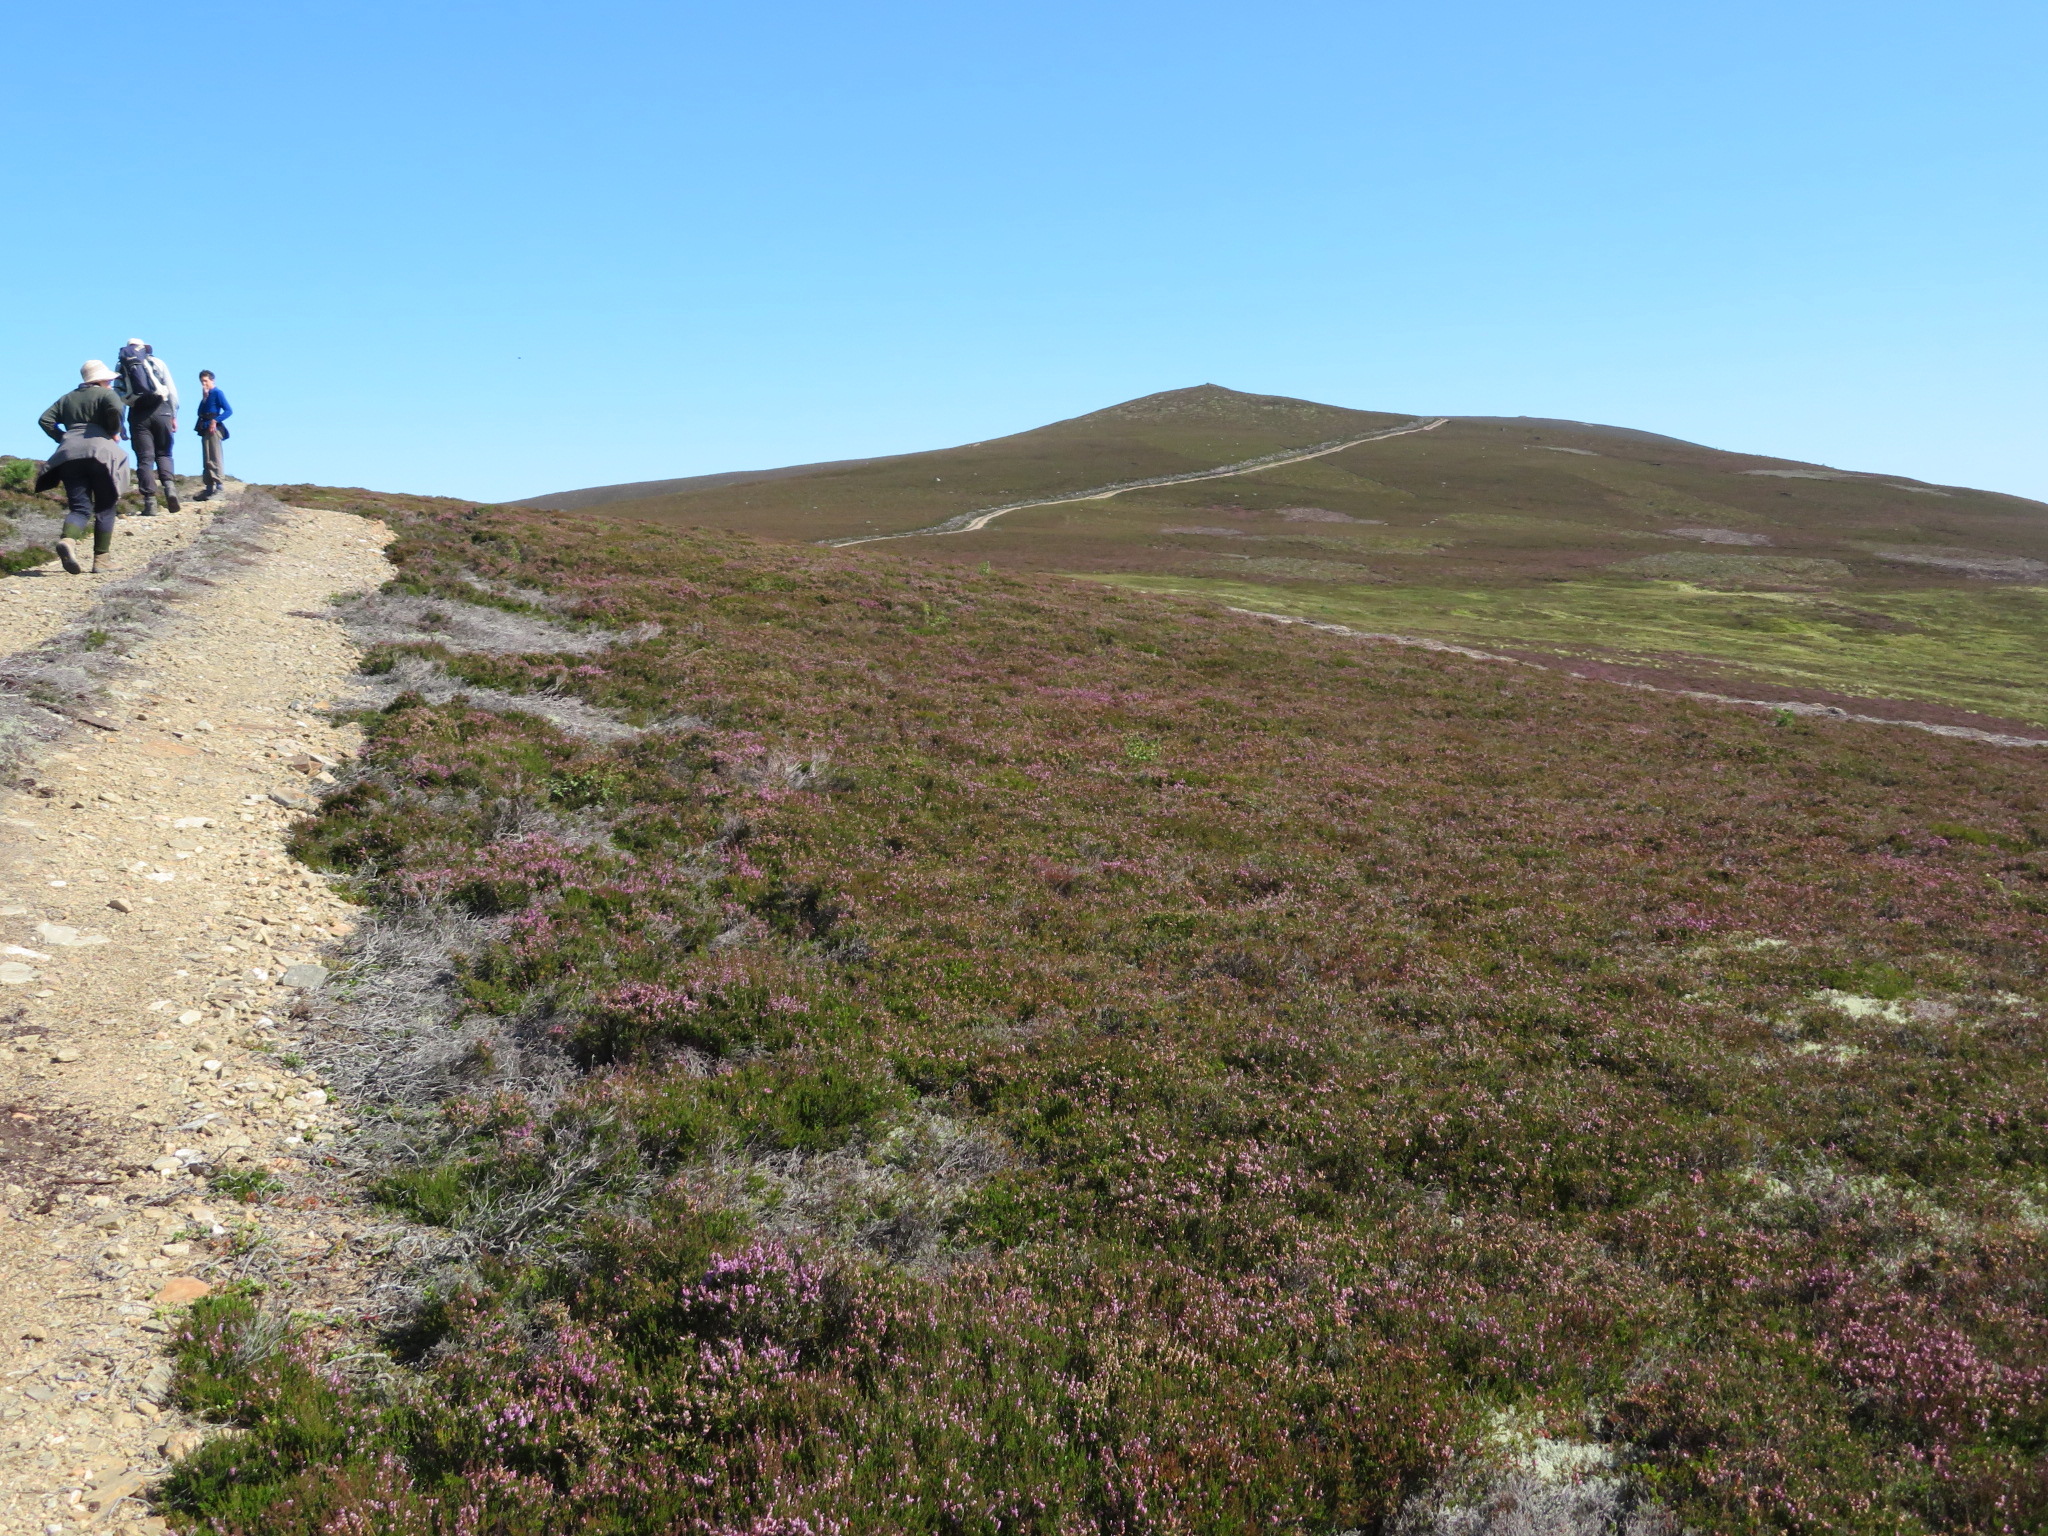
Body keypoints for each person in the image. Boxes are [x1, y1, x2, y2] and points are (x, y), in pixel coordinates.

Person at [35, 361, 131, 575]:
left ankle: (68, 540)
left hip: (69, 455)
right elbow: (115, 408)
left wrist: (64, 438)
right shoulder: (107, 395)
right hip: (100, 454)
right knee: (106, 506)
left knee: (79, 508)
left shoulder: (67, 398)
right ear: (102, 379)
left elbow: (45, 420)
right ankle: (101, 560)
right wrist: (113, 430)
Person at [114, 339, 179, 516]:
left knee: (145, 459)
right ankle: (170, 489)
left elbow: (118, 397)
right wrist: (174, 415)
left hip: (138, 414)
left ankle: (150, 503)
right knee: (164, 452)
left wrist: (120, 425)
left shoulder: (121, 366)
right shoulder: (157, 362)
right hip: (162, 409)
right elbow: (172, 391)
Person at [193, 370, 231, 500]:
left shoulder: (217, 393)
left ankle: (219, 486)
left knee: (215, 456)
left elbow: (228, 410)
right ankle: (209, 487)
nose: (204, 384)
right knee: (207, 457)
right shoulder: (207, 395)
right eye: (202, 382)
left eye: (206, 381)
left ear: (212, 380)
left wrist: (215, 421)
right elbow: (199, 412)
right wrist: (204, 398)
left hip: (213, 428)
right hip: (204, 427)